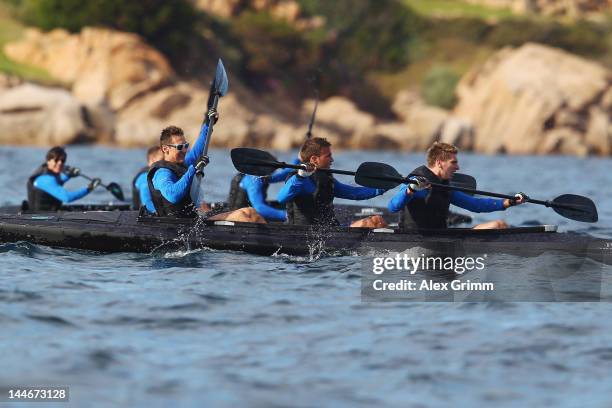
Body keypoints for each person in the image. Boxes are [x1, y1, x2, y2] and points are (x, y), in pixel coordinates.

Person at [147, 112, 264, 223]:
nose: (184, 150)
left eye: (186, 145)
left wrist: (208, 124)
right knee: (244, 216)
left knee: (250, 211)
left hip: (192, 219)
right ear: (165, 149)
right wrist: (193, 170)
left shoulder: (181, 163)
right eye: (180, 147)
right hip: (177, 226)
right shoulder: (162, 173)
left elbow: (198, 150)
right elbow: (173, 196)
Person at [388, 141, 526, 230]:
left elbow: (475, 205)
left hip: (441, 238)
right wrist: (410, 190)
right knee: (497, 225)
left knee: (499, 225)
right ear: (440, 162)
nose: (458, 167)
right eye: (453, 163)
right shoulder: (416, 181)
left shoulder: (445, 186)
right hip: (414, 240)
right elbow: (393, 206)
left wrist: (509, 202)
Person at [277, 137, 388, 228]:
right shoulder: (299, 178)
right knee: (371, 223)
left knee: (377, 221)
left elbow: (355, 193)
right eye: (328, 156)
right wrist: (300, 177)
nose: (332, 160)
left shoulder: (326, 178)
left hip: (328, 232)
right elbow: (281, 197)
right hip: (302, 234)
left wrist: (384, 186)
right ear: (314, 159)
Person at [26, 146, 100, 211]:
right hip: (43, 219)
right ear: (48, 161)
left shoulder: (45, 173)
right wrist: (89, 188)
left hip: (48, 214)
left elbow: (57, 182)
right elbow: (67, 198)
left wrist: (69, 175)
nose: (60, 163)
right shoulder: (46, 179)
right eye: (56, 160)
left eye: (62, 160)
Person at [227, 158, 299, 222]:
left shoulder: (261, 175)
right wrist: (287, 215)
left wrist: (298, 160)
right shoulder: (254, 180)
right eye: (273, 169)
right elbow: (260, 209)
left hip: (251, 213)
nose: (275, 171)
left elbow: (283, 174)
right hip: (243, 218)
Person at [132, 146, 163, 213]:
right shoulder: (145, 179)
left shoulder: (161, 174)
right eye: (162, 160)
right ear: (151, 161)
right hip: (142, 215)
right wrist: (161, 213)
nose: (165, 163)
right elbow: (147, 203)